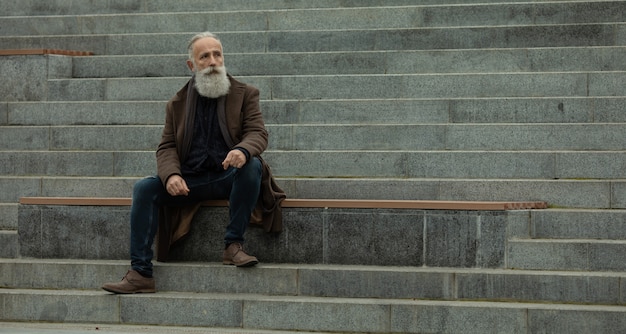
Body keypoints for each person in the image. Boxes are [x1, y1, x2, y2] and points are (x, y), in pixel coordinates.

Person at [102, 31, 284, 294]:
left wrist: (243, 150)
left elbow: (258, 133)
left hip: (228, 176)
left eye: (217, 54)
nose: (212, 61)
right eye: (205, 56)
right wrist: (172, 175)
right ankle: (140, 273)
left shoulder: (246, 94)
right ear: (192, 65)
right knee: (144, 188)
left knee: (252, 166)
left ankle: (233, 245)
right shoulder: (176, 104)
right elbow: (166, 146)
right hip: (190, 181)